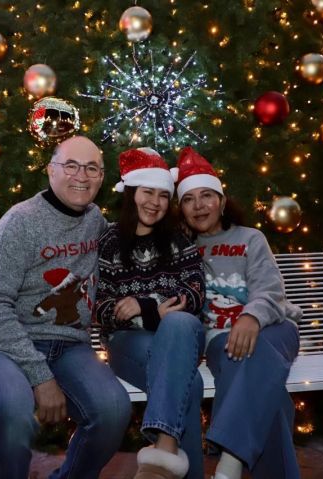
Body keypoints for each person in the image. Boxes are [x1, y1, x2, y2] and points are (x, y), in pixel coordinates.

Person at [0, 136, 131, 479]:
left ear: (101, 178)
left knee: (113, 409)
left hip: (68, 345)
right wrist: (40, 377)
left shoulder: (95, 221)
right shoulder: (19, 222)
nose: (81, 176)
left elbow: (124, 261)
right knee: (12, 409)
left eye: (92, 168)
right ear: (51, 170)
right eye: (71, 165)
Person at [176, 147, 302, 479]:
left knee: (254, 351)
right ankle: (232, 466)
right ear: (181, 209)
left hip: (276, 328)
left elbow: (271, 291)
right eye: (188, 199)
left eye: (206, 196)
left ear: (221, 201)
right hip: (221, 339)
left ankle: (230, 460)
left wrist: (251, 317)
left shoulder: (250, 238)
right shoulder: (181, 250)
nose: (199, 205)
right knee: (269, 391)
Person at [95, 147, 206, 479]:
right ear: (132, 193)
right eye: (148, 192)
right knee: (191, 383)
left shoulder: (178, 239)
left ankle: (162, 456)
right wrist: (155, 311)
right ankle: (169, 458)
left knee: (180, 321)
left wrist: (144, 307)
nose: (155, 202)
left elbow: (194, 294)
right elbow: (101, 307)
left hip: (180, 335)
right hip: (127, 343)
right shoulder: (110, 241)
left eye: (163, 195)